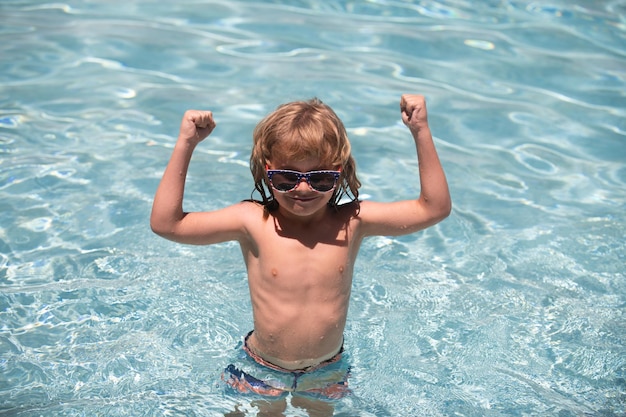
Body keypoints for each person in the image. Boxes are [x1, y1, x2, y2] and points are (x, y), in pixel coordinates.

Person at [150, 94, 451, 415]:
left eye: (321, 178)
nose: (303, 189)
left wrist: (420, 131)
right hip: (262, 368)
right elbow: (167, 224)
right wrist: (187, 143)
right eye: (286, 177)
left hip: (326, 370)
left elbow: (434, 208)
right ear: (267, 171)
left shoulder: (352, 222)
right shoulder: (253, 221)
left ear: (340, 171)